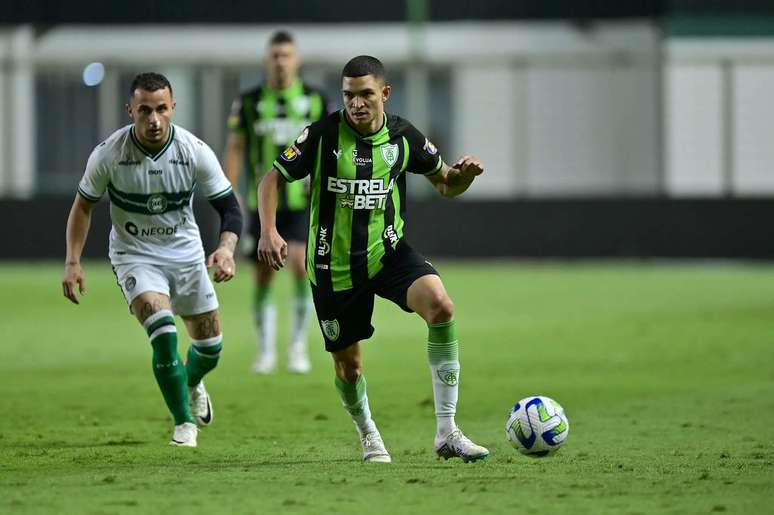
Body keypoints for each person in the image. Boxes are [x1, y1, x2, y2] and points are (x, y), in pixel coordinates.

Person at [257, 55, 488, 463]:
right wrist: (269, 230)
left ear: (385, 93)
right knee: (350, 368)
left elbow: (446, 183)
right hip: (333, 266)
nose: (356, 104)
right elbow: (272, 178)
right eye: (349, 95)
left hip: (388, 251)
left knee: (441, 306)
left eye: (366, 94)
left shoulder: (403, 137)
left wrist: (464, 176)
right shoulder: (323, 135)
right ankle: (368, 434)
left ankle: (447, 431)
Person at [62, 72, 242, 448]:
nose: (154, 119)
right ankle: (183, 424)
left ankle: (190, 382)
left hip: (186, 254)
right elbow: (83, 207)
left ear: (173, 107)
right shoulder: (109, 154)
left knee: (210, 349)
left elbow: (229, 207)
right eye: (145, 110)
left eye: (162, 109)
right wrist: (72, 261)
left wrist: (225, 249)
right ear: (130, 110)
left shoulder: (193, 150)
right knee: (163, 334)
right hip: (134, 255)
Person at [224, 30, 329, 374]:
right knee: (265, 274)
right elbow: (237, 145)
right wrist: (231, 189)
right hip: (262, 202)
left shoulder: (316, 99)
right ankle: (266, 350)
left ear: (297, 60)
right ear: (266, 60)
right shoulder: (250, 101)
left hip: (303, 200)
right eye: (275, 55)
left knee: (300, 264)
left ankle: (298, 347)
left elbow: (329, 145)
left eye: (286, 55)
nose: (281, 61)